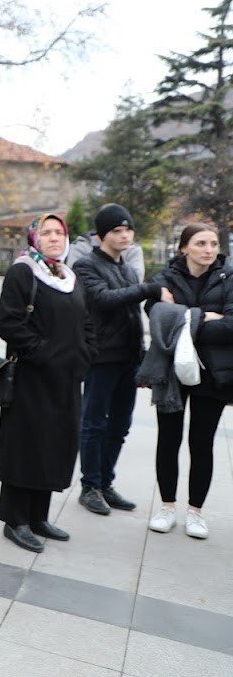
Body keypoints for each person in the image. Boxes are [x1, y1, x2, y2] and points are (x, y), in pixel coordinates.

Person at [0, 214, 96, 553]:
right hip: (32, 378)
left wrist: (84, 356)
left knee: (54, 445)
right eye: (46, 232)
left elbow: (87, 322)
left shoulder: (69, 276)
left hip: (66, 380)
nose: (54, 238)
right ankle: (15, 519)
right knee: (26, 446)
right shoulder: (23, 271)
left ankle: (38, 516)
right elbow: (10, 324)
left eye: (59, 232)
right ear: (33, 238)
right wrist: (45, 354)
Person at [71, 204, 168, 516]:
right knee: (94, 423)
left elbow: (131, 311)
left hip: (128, 357)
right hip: (101, 357)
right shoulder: (87, 265)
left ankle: (106, 482)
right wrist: (148, 288)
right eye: (117, 230)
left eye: (128, 229)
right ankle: (90, 486)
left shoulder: (126, 267)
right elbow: (102, 299)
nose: (125, 235)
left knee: (121, 426)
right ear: (102, 235)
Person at [142, 223, 233, 539]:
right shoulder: (164, 279)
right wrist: (205, 317)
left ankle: (195, 512)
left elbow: (232, 326)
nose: (209, 249)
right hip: (171, 373)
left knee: (202, 442)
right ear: (184, 248)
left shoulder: (228, 276)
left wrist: (183, 318)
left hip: (213, 373)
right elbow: (156, 317)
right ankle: (167, 506)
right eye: (201, 243)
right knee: (168, 439)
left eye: (213, 243)